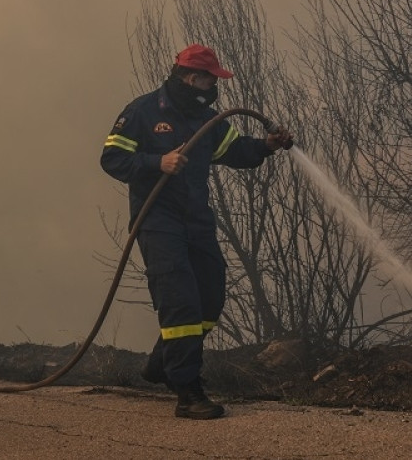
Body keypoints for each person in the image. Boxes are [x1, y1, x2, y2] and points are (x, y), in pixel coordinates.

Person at [100, 43, 292, 420]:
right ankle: (187, 392)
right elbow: (112, 158)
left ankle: (162, 364)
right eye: (209, 78)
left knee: (209, 299)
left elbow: (235, 152)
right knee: (181, 300)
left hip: (197, 221)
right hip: (158, 222)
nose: (213, 85)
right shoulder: (142, 112)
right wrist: (158, 161)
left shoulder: (207, 121)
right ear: (191, 77)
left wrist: (266, 146)